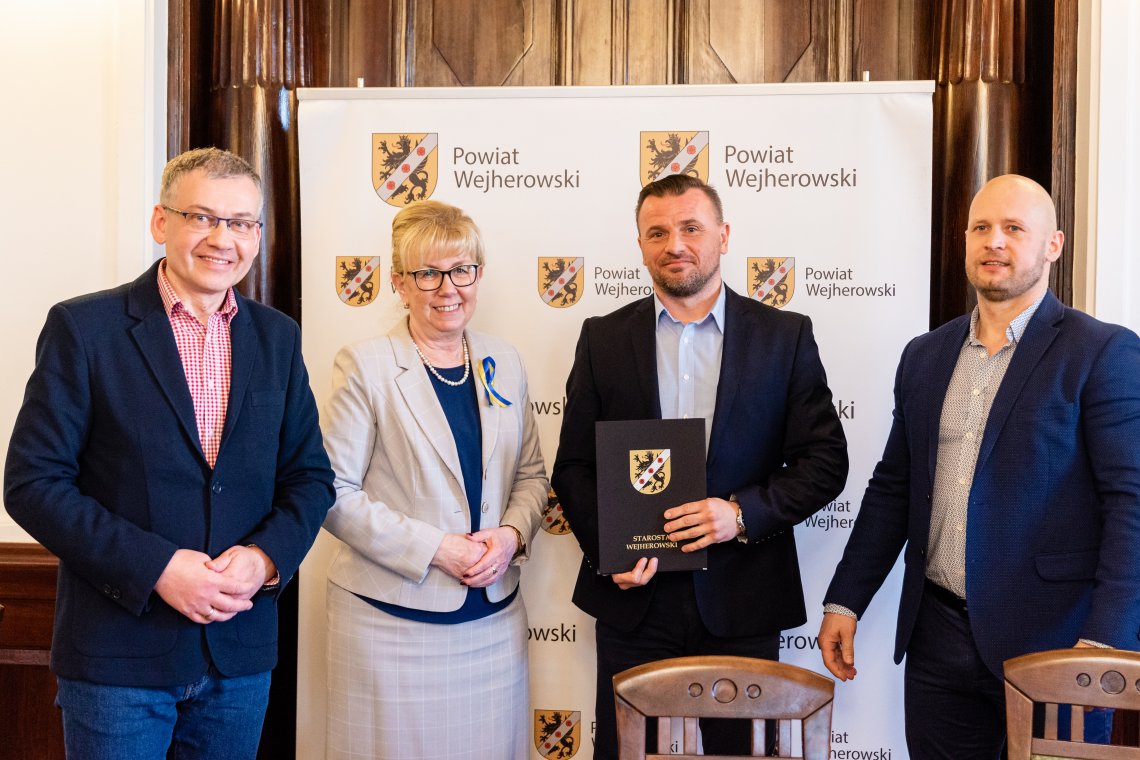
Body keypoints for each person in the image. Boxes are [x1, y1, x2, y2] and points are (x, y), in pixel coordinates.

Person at [3, 147, 335, 758]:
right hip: (117, 658)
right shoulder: (85, 328)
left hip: (238, 655)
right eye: (202, 217)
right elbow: (32, 483)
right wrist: (158, 568)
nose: (222, 239)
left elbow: (310, 478)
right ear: (161, 222)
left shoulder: (278, 337)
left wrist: (264, 559)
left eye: (241, 223)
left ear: (257, 234)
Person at [819, 174, 1140, 759]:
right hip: (937, 635)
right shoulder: (924, 356)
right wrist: (845, 600)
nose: (994, 241)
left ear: (1053, 245)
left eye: (1014, 228)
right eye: (981, 228)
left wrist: (1105, 645)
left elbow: (1132, 503)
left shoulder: (1102, 352)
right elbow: (893, 489)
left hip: (1057, 642)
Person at [551, 174, 848, 759]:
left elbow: (825, 461)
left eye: (691, 228)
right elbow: (574, 466)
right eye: (657, 232)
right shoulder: (602, 338)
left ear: (724, 235)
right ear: (640, 245)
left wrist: (740, 514)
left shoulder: (784, 336)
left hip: (744, 600)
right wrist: (612, 552)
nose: (676, 245)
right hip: (635, 603)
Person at [320, 200, 548, 760]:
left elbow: (531, 476)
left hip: (494, 621)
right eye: (427, 273)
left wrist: (511, 536)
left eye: (461, 270)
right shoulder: (366, 365)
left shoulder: (505, 361)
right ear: (399, 282)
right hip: (387, 626)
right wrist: (438, 549)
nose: (448, 288)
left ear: (479, 274)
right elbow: (333, 493)